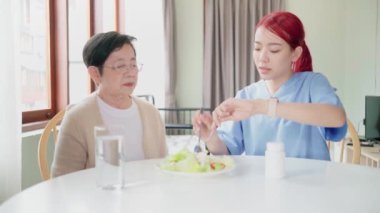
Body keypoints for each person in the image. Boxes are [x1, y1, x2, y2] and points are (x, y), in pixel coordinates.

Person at [193, 11, 347, 161]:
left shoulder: (312, 84)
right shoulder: (246, 96)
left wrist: (263, 107)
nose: (262, 58)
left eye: (274, 50)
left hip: (312, 184)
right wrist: (210, 137)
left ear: (295, 53)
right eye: (257, 48)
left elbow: (337, 118)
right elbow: (227, 151)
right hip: (262, 184)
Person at [51, 31, 167, 177]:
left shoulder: (151, 113)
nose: (131, 72)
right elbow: (62, 182)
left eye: (133, 64)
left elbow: (164, 169)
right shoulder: (77, 118)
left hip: (147, 197)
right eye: (120, 66)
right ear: (95, 74)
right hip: (97, 198)